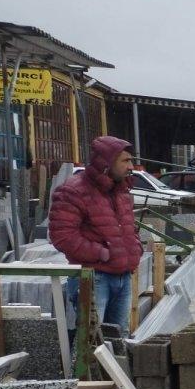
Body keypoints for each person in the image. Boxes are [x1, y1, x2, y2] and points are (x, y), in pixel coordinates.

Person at [48, 135, 143, 333]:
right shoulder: (73, 190)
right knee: (91, 338)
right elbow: (62, 236)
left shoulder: (121, 190)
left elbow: (127, 227)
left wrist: (135, 247)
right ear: (106, 163)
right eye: (125, 161)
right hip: (93, 278)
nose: (131, 166)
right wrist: (102, 253)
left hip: (123, 277)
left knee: (119, 337)